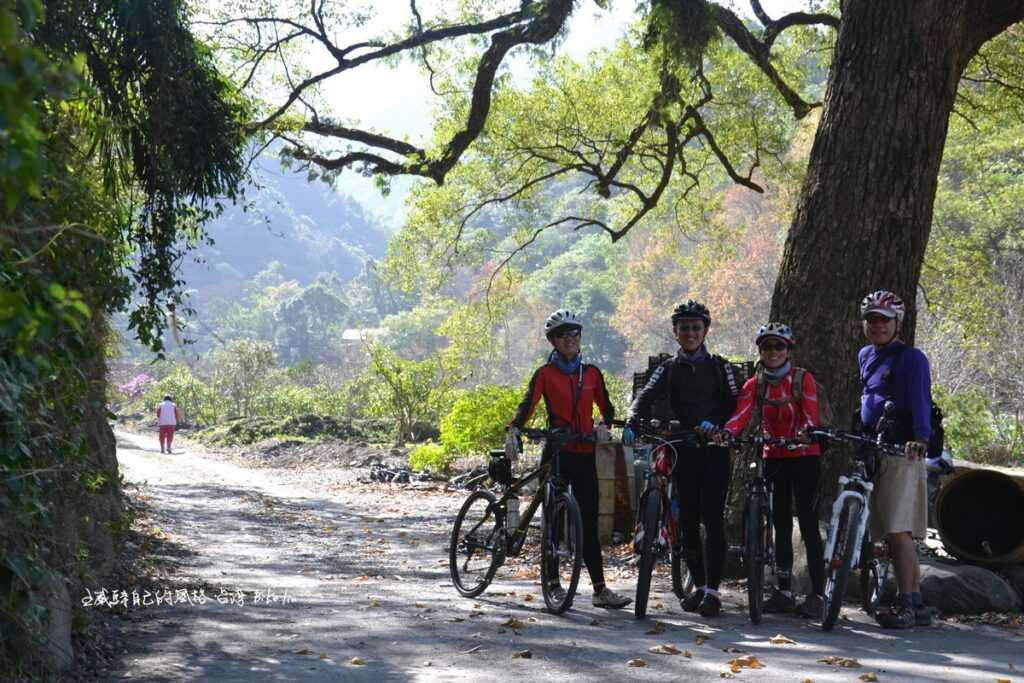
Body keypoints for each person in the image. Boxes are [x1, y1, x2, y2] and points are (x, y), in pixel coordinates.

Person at [507, 309, 631, 610]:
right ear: (553, 340)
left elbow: (608, 408)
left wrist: (604, 425)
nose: (570, 340)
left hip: (585, 451)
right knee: (554, 520)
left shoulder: (591, 373)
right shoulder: (545, 374)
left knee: (588, 520)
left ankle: (600, 590)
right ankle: (552, 584)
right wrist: (513, 429)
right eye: (563, 335)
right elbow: (528, 405)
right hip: (558, 451)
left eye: (574, 334)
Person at [624, 300, 741, 618]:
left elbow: (736, 404)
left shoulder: (721, 367)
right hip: (683, 449)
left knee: (713, 519)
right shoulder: (668, 368)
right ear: (675, 332)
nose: (690, 333)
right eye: (684, 328)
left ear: (705, 331)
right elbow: (644, 396)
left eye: (696, 328)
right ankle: (701, 587)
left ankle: (714, 591)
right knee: (687, 521)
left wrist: (717, 424)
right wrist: (632, 421)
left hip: (714, 450)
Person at [714, 322, 826, 618]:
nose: (773, 352)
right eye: (767, 347)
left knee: (809, 524)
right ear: (760, 351)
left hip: (804, 457)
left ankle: (818, 594)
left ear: (789, 349)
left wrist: (807, 432)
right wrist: (728, 432)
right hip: (773, 456)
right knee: (780, 524)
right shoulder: (755, 383)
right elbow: (741, 415)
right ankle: (784, 591)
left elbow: (811, 416)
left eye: (779, 346)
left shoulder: (803, 379)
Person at [858, 290, 933, 629]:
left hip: (903, 451)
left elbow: (920, 398)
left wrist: (920, 438)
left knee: (898, 530)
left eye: (884, 320)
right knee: (891, 530)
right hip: (875, 446)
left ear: (897, 323)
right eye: (872, 320)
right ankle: (916, 603)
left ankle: (905, 603)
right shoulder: (865, 355)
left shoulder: (911, 358)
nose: (877, 326)